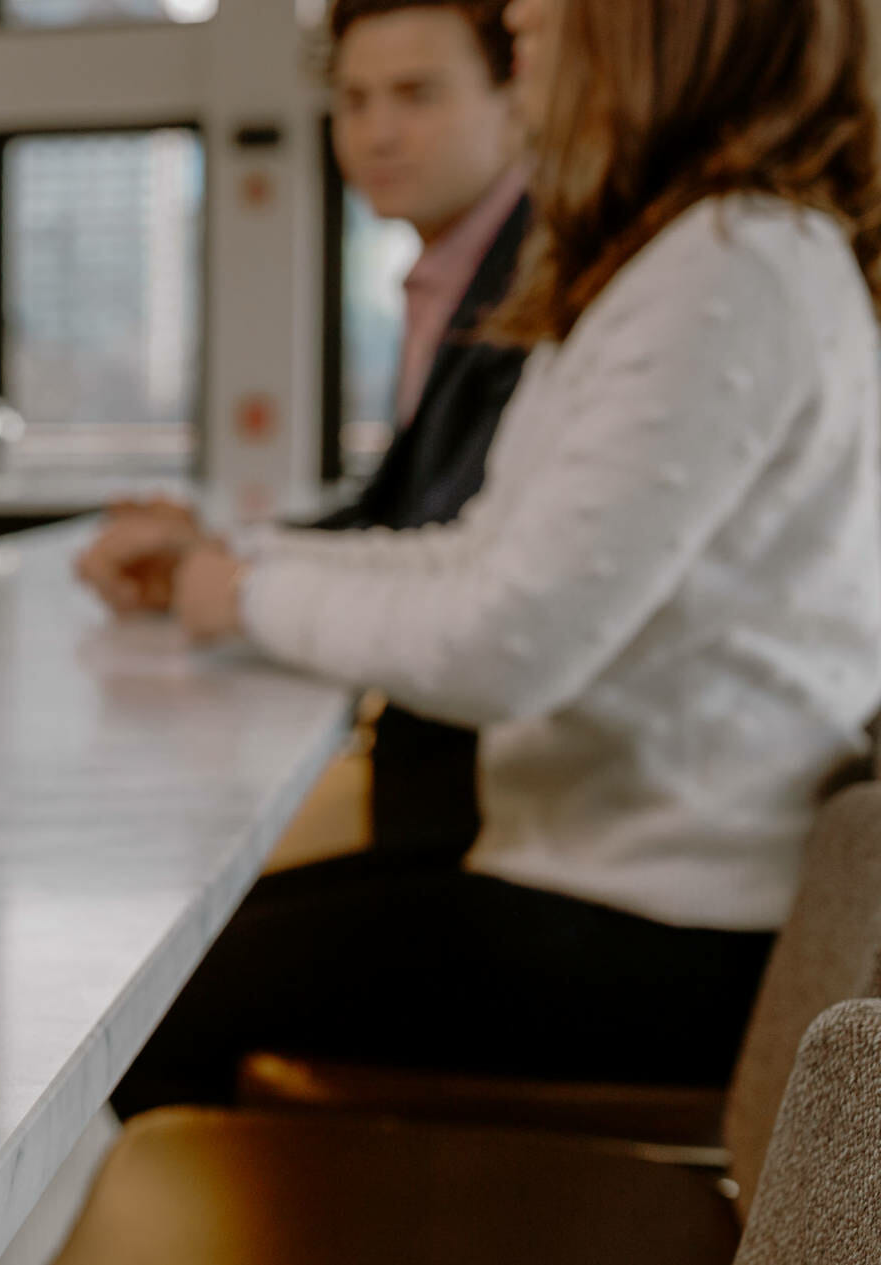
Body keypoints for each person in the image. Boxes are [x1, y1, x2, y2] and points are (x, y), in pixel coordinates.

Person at [111, 0, 881, 1118]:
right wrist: (240, 565)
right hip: (619, 882)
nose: (517, 10)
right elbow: (479, 558)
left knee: (155, 1004)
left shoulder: (728, 264)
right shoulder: (703, 250)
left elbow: (507, 646)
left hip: (663, 924)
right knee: (181, 956)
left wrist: (246, 589)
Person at [82, 0, 534, 863]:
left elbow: (444, 545)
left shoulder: (536, 276)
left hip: (495, 815)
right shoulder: (456, 273)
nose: (377, 133)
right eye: (355, 101)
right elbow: (394, 513)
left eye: (417, 94)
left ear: (515, 97)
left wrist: (229, 574)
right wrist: (217, 551)